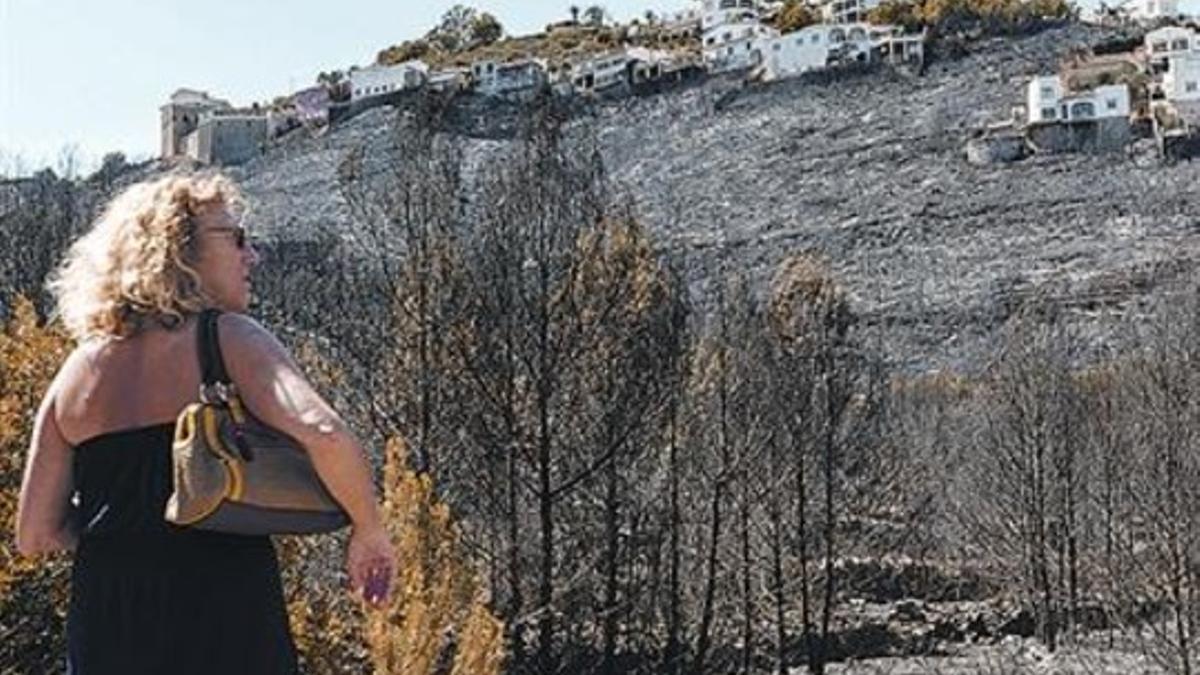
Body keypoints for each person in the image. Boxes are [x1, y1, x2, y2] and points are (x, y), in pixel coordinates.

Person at [13, 172, 395, 674]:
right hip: (222, 613)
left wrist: (125, 537)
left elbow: (35, 533)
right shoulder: (227, 338)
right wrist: (368, 530)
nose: (251, 255)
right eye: (236, 238)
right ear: (179, 248)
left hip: (108, 622)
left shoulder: (78, 371)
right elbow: (324, 432)